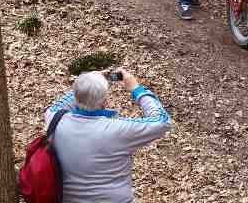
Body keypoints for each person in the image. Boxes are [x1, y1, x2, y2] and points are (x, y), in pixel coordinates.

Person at [44, 69, 172, 202]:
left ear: (76, 95)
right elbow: (162, 121)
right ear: (104, 100)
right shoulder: (118, 129)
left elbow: (56, 106)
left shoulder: (55, 119)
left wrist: (87, 84)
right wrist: (137, 89)